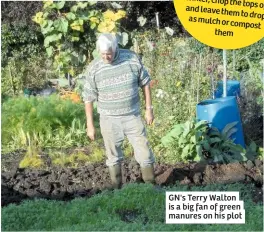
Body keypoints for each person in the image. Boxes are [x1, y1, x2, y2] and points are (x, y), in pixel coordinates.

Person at [82, 33, 155, 188]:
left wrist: (149, 109)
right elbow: (88, 98)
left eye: (109, 54)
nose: (106, 57)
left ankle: (150, 186)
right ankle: (117, 189)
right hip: (109, 120)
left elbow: (145, 83)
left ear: (116, 48)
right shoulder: (94, 68)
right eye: (102, 54)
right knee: (113, 156)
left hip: (132, 116)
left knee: (145, 152)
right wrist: (90, 125)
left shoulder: (131, 59)